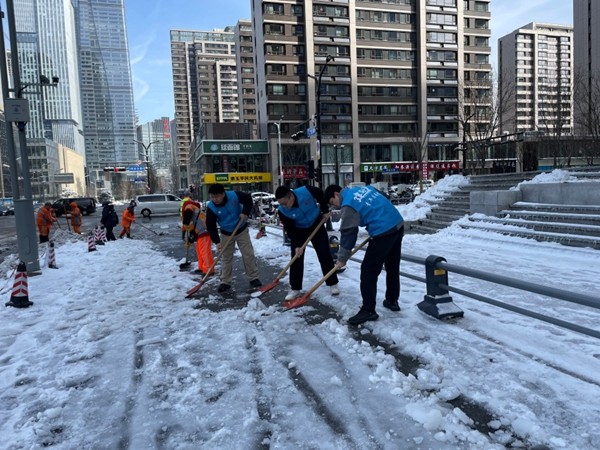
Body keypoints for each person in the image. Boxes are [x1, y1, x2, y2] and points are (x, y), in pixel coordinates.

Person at [324, 184, 404, 325]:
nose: (335, 206)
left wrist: (342, 259)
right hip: (397, 222)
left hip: (383, 230)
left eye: (332, 202)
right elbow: (383, 198)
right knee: (392, 265)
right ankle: (392, 300)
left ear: (337, 194)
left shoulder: (348, 204)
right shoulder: (360, 189)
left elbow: (349, 233)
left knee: (368, 271)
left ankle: (368, 310)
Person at [275, 185, 340, 300]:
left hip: (316, 223)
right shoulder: (282, 211)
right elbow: (290, 229)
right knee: (296, 257)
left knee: (324, 253)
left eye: (285, 203)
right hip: (299, 230)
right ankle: (295, 288)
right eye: (281, 204)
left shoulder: (306, 191)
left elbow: (320, 193)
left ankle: (332, 283)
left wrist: (325, 211)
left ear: (291, 197)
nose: (283, 206)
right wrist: (297, 245)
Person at [205, 183, 261, 293]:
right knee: (226, 257)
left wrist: (245, 212)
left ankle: (253, 278)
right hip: (226, 233)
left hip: (241, 229)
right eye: (212, 197)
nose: (214, 199)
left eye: (217, 196)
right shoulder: (211, 207)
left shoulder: (234, 195)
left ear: (223, 194)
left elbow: (248, 199)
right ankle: (225, 282)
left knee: (248, 254)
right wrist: (216, 241)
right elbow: (210, 226)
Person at [182, 202, 214, 275]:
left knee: (205, 252)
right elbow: (192, 228)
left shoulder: (188, 207)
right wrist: (190, 239)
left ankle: (209, 270)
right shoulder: (194, 212)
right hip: (200, 233)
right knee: (199, 252)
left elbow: (188, 213)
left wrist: (185, 222)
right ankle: (202, 268)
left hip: (204, 232)